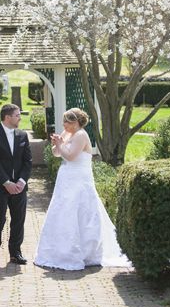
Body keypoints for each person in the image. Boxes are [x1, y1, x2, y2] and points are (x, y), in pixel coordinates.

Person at [34, 108, 130, 270]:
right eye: (64, 121)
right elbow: (58, 154)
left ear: (76, 122)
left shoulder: (81, 135)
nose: (64, 124)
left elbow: (71, 156)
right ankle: (60, 251)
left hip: (78, 180)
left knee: (81, 210)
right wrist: (56, 145)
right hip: (66, 179)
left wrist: (60, 144)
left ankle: (85, 252)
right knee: (63, 210)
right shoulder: (68, 133)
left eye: (67, 121)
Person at [0, 103, 33, 266]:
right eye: (17, 115)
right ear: (8, 117)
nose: (20, 117)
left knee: (18, 220)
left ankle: (15, 253)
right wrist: (6, 182)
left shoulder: (23, 135)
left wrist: (21, 181)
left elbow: (28, 161)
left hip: (19, 187)